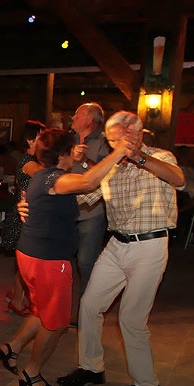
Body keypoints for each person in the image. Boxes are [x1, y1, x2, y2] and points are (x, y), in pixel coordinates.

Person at [56, 111, 185, 386]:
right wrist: (39, 201)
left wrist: (139, 157)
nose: (114, 146)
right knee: (90, 305)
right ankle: (91, 368)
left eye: (118, 140)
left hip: (150, 246)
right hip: (116, 244)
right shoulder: (112, 166)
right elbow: (82, 197)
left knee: (131, 317)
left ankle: (146, 384)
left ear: (136, 134)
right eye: (111, 141)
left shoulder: (160, 156)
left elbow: (178, 179)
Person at [0, 128, 132, 386]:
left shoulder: (42, 174)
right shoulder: (55, 179)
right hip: (48, 259)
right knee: (56, 323)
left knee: (41, 311)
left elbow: (83, 186)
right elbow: (88, 182)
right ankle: (31, 373)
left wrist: (83, 161)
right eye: (72, 150)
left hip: (31, 254)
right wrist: (119, 152)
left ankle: (11, 347)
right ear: (64, 154)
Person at [0, 120, 45, 315]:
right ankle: (17, 301)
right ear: (30, 140)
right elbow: (48, 176)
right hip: (25, 216)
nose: (46, 141)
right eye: (42, 136)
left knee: (23, 262)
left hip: (26, 214)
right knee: (25, 264)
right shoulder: (30, 163)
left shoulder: (32, 160)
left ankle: (15, 294)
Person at [70, 102, 109, 299]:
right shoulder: (69, 139)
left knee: (86, 261)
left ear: (89, 119)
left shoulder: (105, 142)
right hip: (67, 209)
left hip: (91, 211)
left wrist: (84, 161)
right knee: (61, 258)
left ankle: (88, 305)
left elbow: (109, 174)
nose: (73, 118)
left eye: (77, 114)